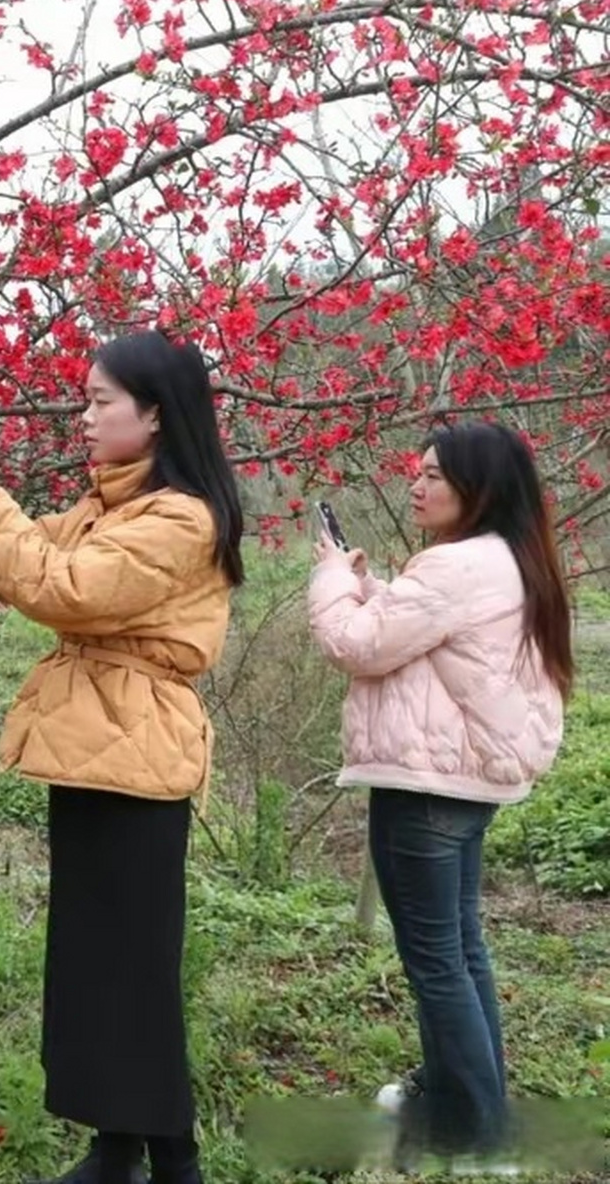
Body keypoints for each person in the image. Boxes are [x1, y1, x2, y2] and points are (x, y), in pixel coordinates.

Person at [0, 332, 245, 1184]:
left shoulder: (178, 517)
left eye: (100, 400)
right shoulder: (112, 506)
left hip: (138, 751)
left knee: (133, 966)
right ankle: (115, 1148)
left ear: (153, 414)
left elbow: (60, 588)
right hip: (93, 746)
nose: (83, 416)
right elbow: (23, 559)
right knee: (93, 961)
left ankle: (173, 1157)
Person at [307, 421, 569, 1168]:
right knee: (460, 949)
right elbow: (424, 634)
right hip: (465, 784)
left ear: (477, 489)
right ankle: (464, 1105)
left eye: (435, 477)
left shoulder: (454, 566)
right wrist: (369, 589)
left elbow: (356, 646)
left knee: (436, 959)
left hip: (424, 789)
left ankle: (477, 1133)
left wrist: (330, 575)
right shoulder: (507, 560)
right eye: (416, 472)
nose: (416, 485)